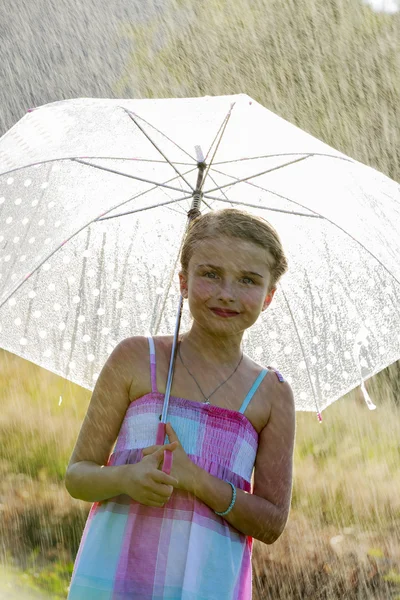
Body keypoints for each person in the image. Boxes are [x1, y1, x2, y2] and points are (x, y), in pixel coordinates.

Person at [65, 208, 296, 600]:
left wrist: (199, 481)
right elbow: (77, 475)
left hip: (207, 586)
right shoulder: (136, 359)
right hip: (113, 581)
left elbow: (272, 523)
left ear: (269, 296)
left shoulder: (271, 393)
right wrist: (125, 478)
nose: (227, 293)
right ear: (183, 281)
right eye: (210, 274)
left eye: (248, 280)